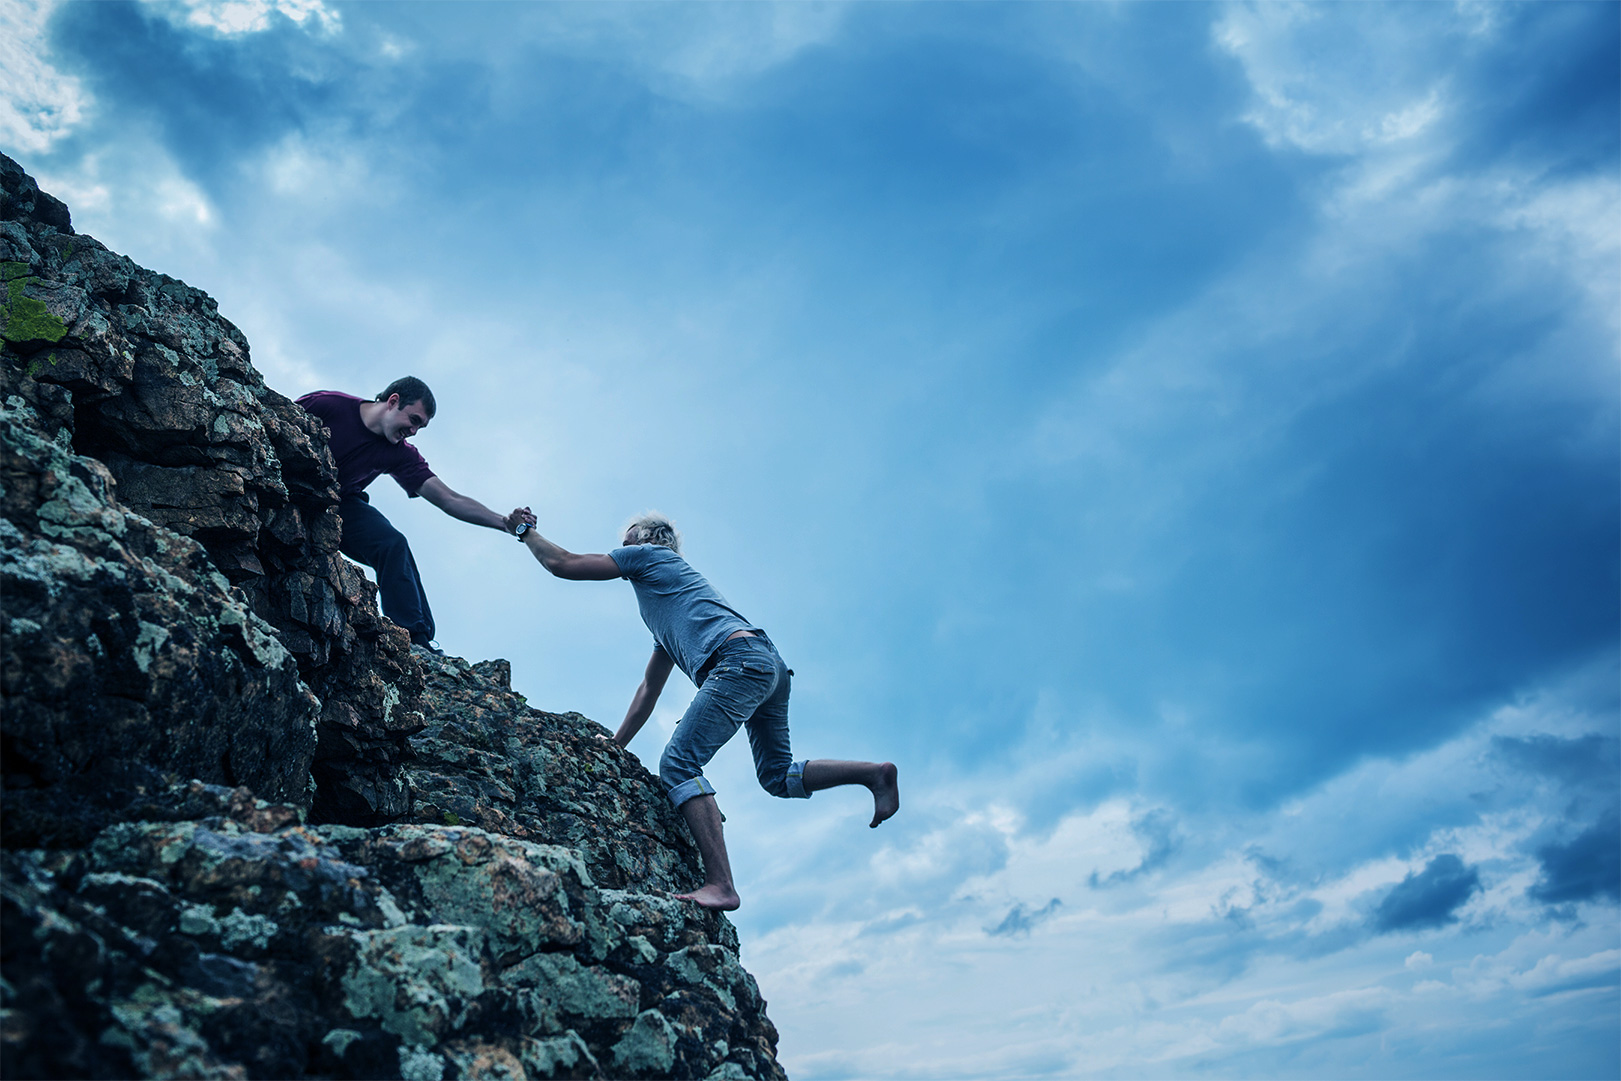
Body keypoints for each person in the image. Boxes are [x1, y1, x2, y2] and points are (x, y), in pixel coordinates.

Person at [512, 510, 899, 910]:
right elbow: (649, 689)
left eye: (628, 543)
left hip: (738, 661)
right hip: (767, 665)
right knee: (777, 776)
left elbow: (564, 564)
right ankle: (874, 773)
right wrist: (616, 744)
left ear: (650, 542)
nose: (621, 551)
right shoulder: (668, 602)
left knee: (678, 764)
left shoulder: (650, 557)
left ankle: (721, 885)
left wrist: (525, 532)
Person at [297, 377, 532, 653]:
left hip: (340, 503)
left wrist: (504, 523)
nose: (414, 431)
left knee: (393, 544)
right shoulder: (328, 405)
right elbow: (274, 419)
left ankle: (416, 639)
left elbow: (449, 499)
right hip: (297, 484)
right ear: (393, 401)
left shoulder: (399, 453)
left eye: (421, 426)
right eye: (414, 420)